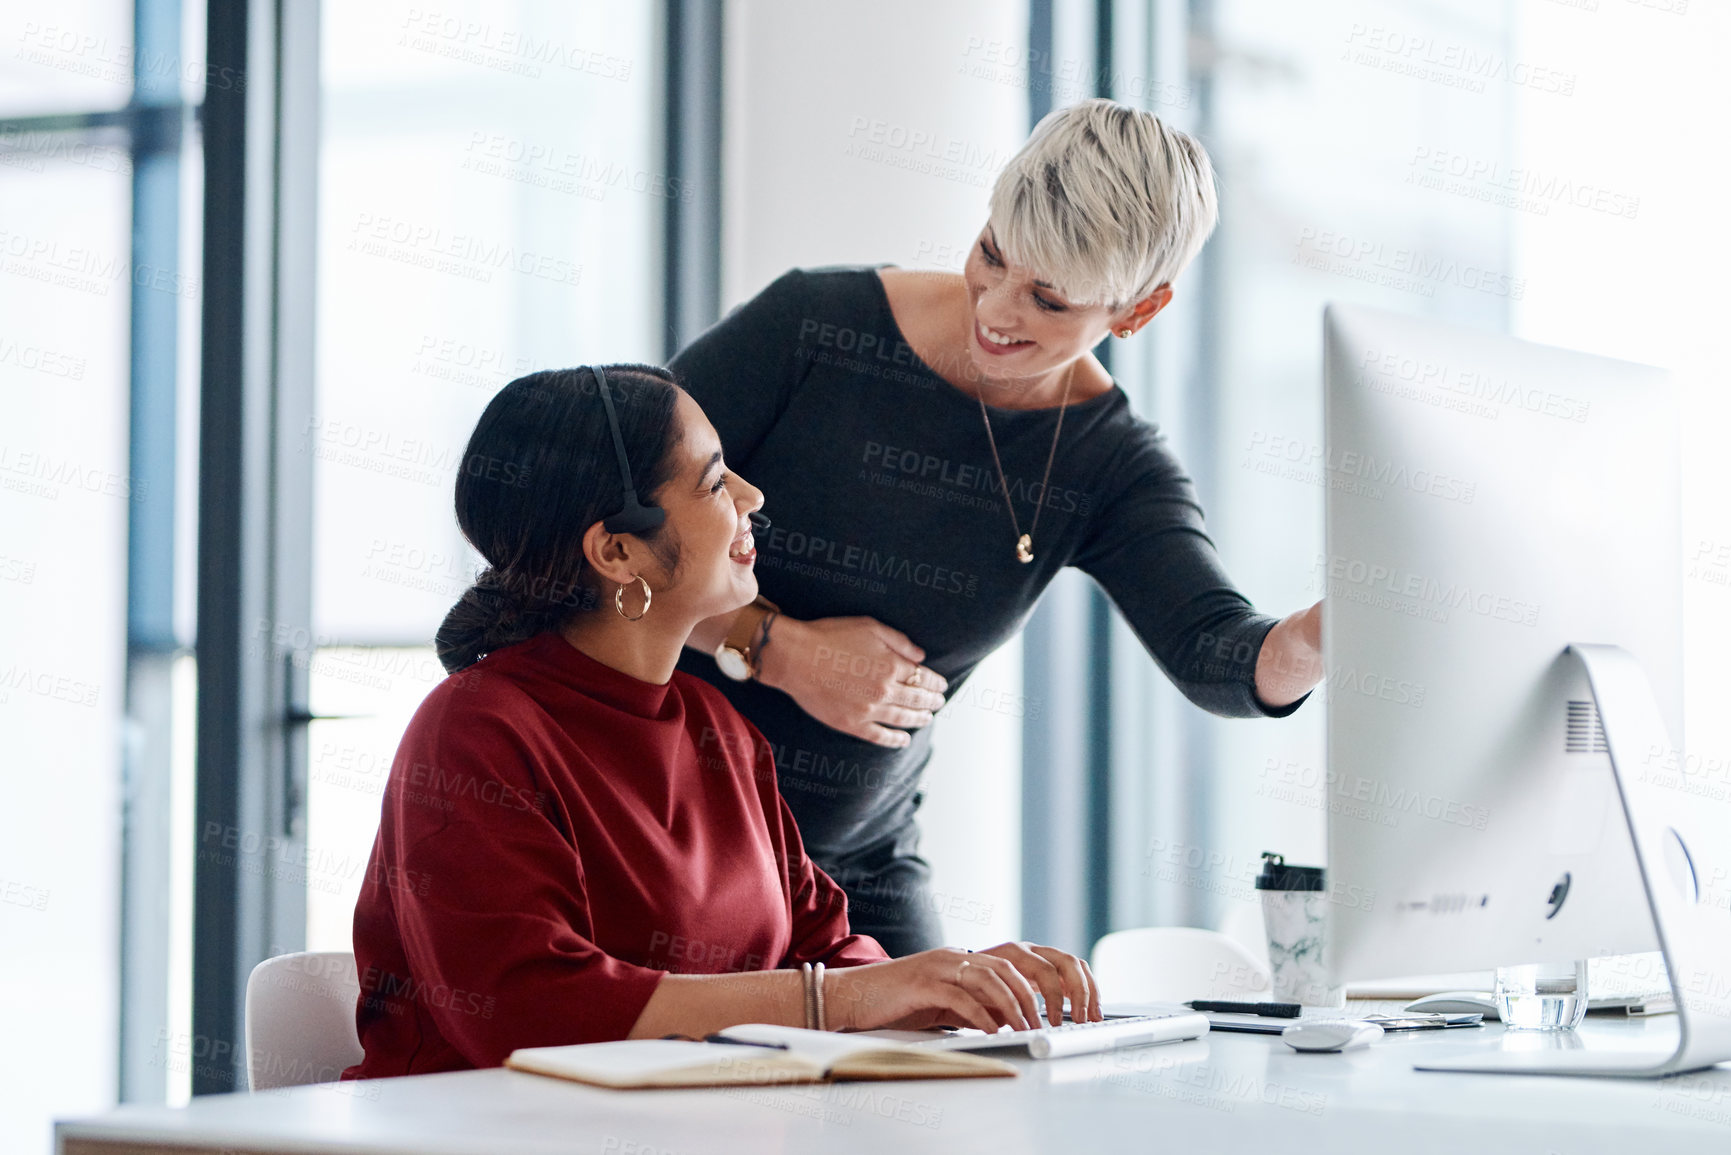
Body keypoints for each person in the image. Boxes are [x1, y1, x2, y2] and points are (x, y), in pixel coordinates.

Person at [671, 99, 1325, 956]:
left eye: (1049, 299)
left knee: (964, 1070)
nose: (997, 309)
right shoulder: (812, 327)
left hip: (850, 869)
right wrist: (777, 647)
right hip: (658, 829)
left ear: (1139, 310)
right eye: (991, 254)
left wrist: (1327, 631)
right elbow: (592, 523)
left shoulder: (1108, 460)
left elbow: (1217, 654)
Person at [343, 364, 1101, 1079]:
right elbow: (527, 1009)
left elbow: (825, 950)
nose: (752, 494)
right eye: (712, 481)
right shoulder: (476, 730)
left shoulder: (715, 724)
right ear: (617, 551)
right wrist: (837, 1000)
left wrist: (952, 989)